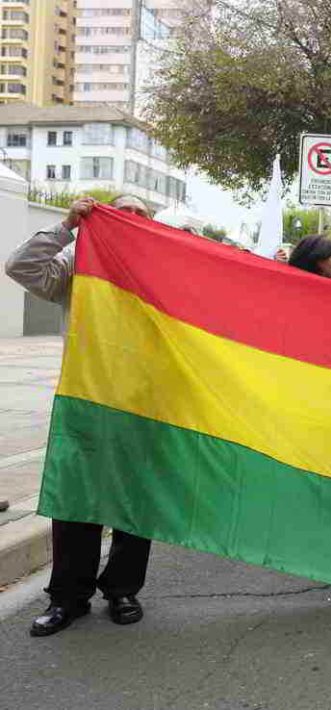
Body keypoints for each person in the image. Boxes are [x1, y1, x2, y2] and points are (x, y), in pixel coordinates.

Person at [4, 194, 155, 637]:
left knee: (133, 504)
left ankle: (123, 590)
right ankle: (68, 598)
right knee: (73, 501)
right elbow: (21, 267)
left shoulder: (165, 271)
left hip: (145, 406)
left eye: (140, 215)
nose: (130, 221)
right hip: (83, 399)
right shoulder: (79, 257)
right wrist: (67, 224)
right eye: (120, 212)